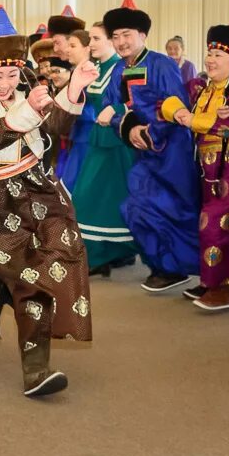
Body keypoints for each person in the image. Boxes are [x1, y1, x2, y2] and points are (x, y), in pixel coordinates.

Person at [0, 5, 96, 397]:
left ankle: (36, 370)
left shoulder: (27, 79)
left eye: (12, 73)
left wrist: (75, 88)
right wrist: (29, 108)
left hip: (35, 187)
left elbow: (54, 129)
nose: (7, 83)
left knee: (44, 267)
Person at [166, 23, 229, 310]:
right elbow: (170, 101)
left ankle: (221, 288)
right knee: (228, 225)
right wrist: (181, 112)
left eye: (218, 56)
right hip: (210, 167)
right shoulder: (201, 87)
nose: (210, 59)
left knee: (223, 224)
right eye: (209, 53)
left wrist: (193, 119)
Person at [104, 2, 202, 293]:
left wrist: (150, 132)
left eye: (126, 35)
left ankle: (189, 268)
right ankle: (164, 265)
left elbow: (175, 106)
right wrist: (130, 127)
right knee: (135, 208)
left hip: (172, 151)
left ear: (143, 35)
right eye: (116, 37)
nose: (121, 42)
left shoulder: (161, 64)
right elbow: (113, 108)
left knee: (177, 210)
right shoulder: (119, 70)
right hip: (142, 153)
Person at [69, 21, 136, 276]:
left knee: (96, 198)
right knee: (99, 198)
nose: (92, 44)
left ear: (111, 41)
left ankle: (109, 254)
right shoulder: (97, 68)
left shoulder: (122, 68)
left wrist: (116, 110)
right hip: (99, 140)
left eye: (96, 39)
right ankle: (108, 254)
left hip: (117, 143)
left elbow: (137, 102)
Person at [56, 29, 94, 190]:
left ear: (87, 48)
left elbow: (92, 110)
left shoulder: (91, 74)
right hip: (76, 136)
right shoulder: (76, 72)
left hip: (87, 136)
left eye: (73, 45)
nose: (67, 49)